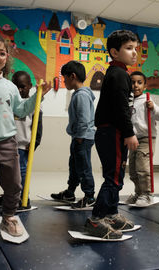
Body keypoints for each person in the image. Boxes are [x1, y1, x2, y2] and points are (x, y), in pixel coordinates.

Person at [84, 30, 139, 239]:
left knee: (117, 176)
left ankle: (111, 213)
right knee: (113, 178)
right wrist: (129, 132)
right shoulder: (118, 74)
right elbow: (120, 108)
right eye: (128, 48)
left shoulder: (119, 72)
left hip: (112, 132)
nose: (134, 53)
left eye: (135, 48)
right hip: (113, 132)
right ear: (114, 52)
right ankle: (96, 219)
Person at [0, 34, 51, 236]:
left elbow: (21, 110)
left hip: (7, 142)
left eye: (2, 53)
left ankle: (9, 216)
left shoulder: (10, 87)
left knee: (14, 184)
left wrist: (39, 94)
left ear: (7, 57)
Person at [51, 61, 95, 209]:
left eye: (65, 79)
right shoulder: (79, 94)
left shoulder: (81, 95)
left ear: (73, 76)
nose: (64, 82)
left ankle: (89, 196)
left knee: (83, 167)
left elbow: (84, 118)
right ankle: (70, 192)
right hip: (79, 137)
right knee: (75, 165)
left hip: (82, 137)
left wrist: (80, 137)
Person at [0, 71, 43, 210]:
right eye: (17, 86)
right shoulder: (11, 101)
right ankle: (9, 196)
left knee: (21, 173)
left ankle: (23, 198)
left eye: (23, 86)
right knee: (7, 176)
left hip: (23, 146)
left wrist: (34, 144)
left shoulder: (34, 106)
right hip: (7, 144)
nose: (20, 90)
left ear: (30, 86)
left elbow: (38, 129)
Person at [125, 71, 159, 206]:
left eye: (139, 82)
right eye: (132, 82)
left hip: (146, 138)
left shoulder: (148, 99)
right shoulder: (128, 101)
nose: (135, 85)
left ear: (145, 86)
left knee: (142, 168)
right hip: (133, 139)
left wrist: (153, 108)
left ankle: (146, 194)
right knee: (133, 170)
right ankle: (138, 193)